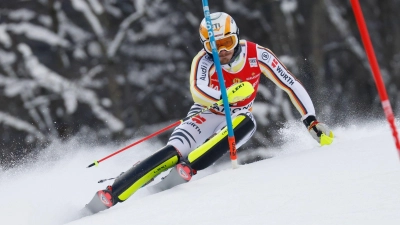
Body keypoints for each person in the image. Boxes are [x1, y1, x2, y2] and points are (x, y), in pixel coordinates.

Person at [83, 12, 334, 214]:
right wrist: (227, 95)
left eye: (227, 43)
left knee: (246, 121)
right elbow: (198, 91)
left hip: (236, 118)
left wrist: (310, 121)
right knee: (173, 152)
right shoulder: (203, 60)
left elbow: (290, 84)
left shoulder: (258, 54)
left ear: (236, 38)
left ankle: (190, 167)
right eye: (214, 45)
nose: (222, 51)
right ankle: (111, 193)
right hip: (205, 112)